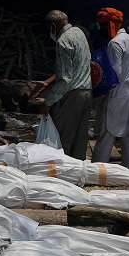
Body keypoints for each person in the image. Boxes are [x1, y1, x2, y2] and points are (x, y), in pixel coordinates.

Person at [33, 10, 93, 160]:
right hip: (86, 92)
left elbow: (65, 79)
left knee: (63, 141)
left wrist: (48, 102)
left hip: (71, 95)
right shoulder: (79, 33)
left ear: (53, 26)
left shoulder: (62, 42)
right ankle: (77, 177)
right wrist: (48, 82)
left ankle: (62, 177)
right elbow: (75, 67)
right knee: (80, 142)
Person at [91, 7, 129, 169]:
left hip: (118, 97)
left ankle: (97, 174)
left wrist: (99, 93)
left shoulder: (115, 43)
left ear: (109, 25)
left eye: (102, 25)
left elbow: (114, 75)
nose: (101, 29)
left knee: (106, 136)